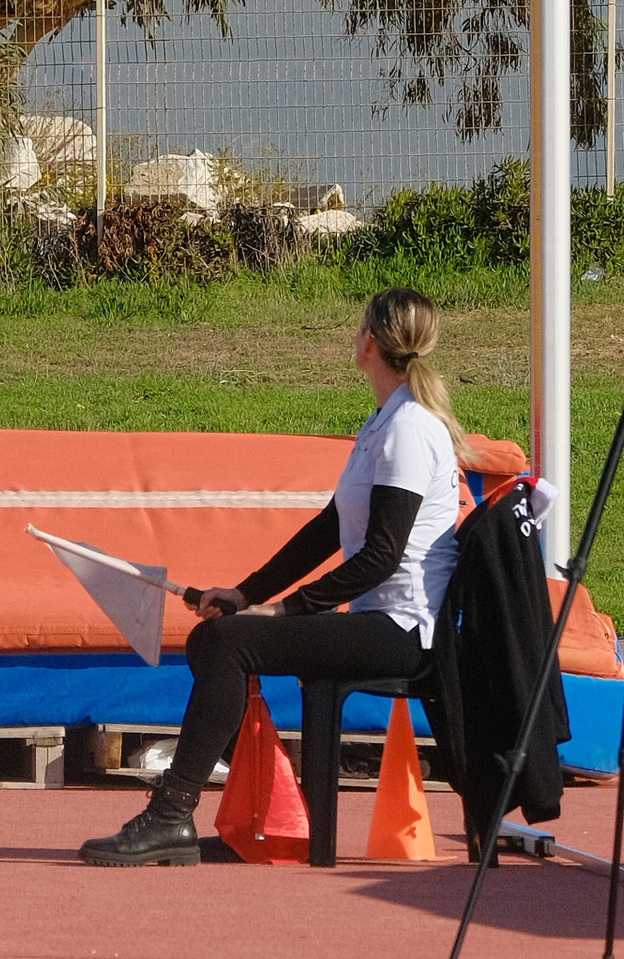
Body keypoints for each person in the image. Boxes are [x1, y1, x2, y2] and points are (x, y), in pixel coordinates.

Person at [77, 286, 466, 865]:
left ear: (369, 344)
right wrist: (244, 593)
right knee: (216, 634)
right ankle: (259, 807)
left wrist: (286, 610)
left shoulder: (410, 429)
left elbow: (381, 556)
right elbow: (327, 530)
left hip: (402, 631)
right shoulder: (383, 422)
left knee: (228, 644)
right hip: (376, 620)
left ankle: (170, 814)